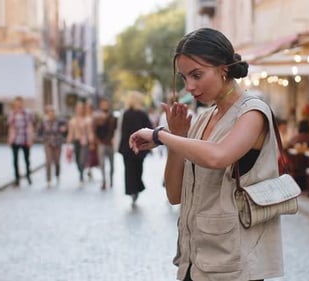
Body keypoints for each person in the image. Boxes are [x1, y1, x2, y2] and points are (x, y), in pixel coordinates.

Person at [129, 28, 283, 281]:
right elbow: (175, 194)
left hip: (235, 266)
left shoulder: (253, 113)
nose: (189, 86)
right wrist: (177, 136)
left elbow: (218, 156)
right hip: (195, 262)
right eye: (184, 77)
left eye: (197, 75)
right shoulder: (202, 119)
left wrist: (162, 135)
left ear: (223, 68)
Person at [118, 91, 152, 205]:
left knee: (129, 171)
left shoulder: (126, 113)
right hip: (140, 147)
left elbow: (123, 132)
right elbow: (149, 129)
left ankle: (133, 191)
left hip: (127, 147)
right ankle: (136, 189)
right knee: (138, 169)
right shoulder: (142, 114)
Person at [7, 96, 34, 187]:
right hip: (15, 139)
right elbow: (11, 127)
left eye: (19, 103)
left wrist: (30, 139)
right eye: (16, 103)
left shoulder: (27, 113)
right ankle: (17, 178)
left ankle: (28, 175)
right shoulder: (12, 113)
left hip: (25, 138)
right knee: (15, 160)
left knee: (26, 159)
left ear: (22, 103)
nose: (18, 105)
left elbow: (30, 126)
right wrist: (10, 139)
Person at [38, 105, 67, 188]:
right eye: (49, 113)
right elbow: (39, 132)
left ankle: (57, 174)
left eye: (52, 113)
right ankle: (48, 179)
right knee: (48, 161)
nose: (51, 115)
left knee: (57, 161)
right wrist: (42, 139)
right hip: (48, 144)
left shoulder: (59, 121)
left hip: (57, 144)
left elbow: (66, 126)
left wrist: (64, 129)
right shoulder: (44, 122)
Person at [66, 101, 93, 184]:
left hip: (85, 142)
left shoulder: (87, 120)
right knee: (77, 160)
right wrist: (68, 143)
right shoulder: (72, 121)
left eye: (81, 108)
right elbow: (70, 133)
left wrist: (91, 142)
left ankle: (81, 174)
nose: (80, 110)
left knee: (82, 159)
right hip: (76, 141)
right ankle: (80, 171)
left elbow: (89, 132)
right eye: (78, 108)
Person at [93, 97, 118, 189]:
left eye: (106, 104)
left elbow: (116, 130)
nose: (105, 106)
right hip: (101, 143)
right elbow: (94, 130)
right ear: (100, 105)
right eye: (103, 104)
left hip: (110, 143)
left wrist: (114, 139)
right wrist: (96, 141)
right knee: (102, 163)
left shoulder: (113, 117)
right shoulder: (96, 117)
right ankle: (103, 181)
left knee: (112, 164)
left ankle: (111, 180)